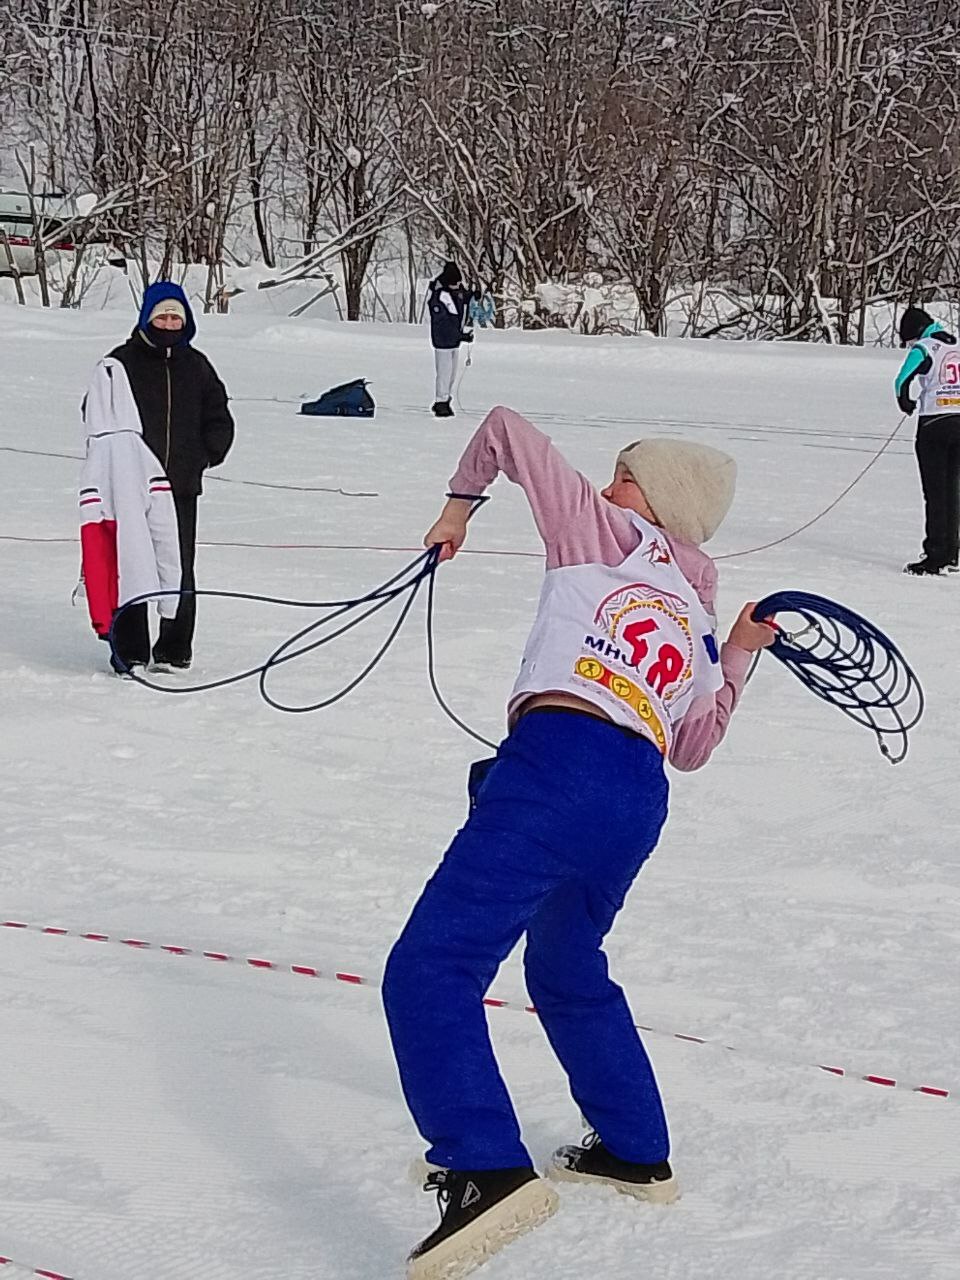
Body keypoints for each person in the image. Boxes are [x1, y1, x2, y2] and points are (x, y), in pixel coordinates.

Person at [382, 406, 775, 1280]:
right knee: (564, 968)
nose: (606, 485)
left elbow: (503, 427)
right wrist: (740, 653)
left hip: (558, 764)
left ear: (656, 497)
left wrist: (458, 506)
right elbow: (695, 745)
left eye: (624, 473)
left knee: (430, 969)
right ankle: (635, 1148)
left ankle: (484, 1164)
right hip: (634, 801)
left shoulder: (599, 529)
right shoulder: (694, 604)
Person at [105, 280, 235, 669]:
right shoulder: (120, 363)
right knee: (130, 565)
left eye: (175, 316)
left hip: (179, 485)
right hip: (130, 487)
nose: (168, 322)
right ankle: (129, 651)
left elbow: (219, 415)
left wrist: (206, 454)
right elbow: (95, 414)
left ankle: (174, 649)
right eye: (161, 315)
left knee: (178, 565)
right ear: (147, 317)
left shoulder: (196, 366)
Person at [77, 357, 182, 675]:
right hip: (125, 538)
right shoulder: (130, 449)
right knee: (141, 573)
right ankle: (135, 651)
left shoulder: (110, 452)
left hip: (118, 538)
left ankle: (133, 654)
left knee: (121, 581)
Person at [895, 305, 960, 576]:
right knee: (952, 489)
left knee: (934, 493)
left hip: (934, 423)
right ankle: (952, 553)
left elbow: (901, 381)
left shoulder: (924, 347)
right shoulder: (955, 343)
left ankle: (934, 555)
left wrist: (906, 401)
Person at [427, 261, 473, 418]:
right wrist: (461, 336)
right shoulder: (439, 296)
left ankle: (446, 399)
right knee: (444, 372)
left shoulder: (456, 291)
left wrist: (473, 296)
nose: (458, 286)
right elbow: (444, 322)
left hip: (454, 341)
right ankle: (440, 401)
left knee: (452, 373)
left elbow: (463, 297)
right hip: (443, 339)